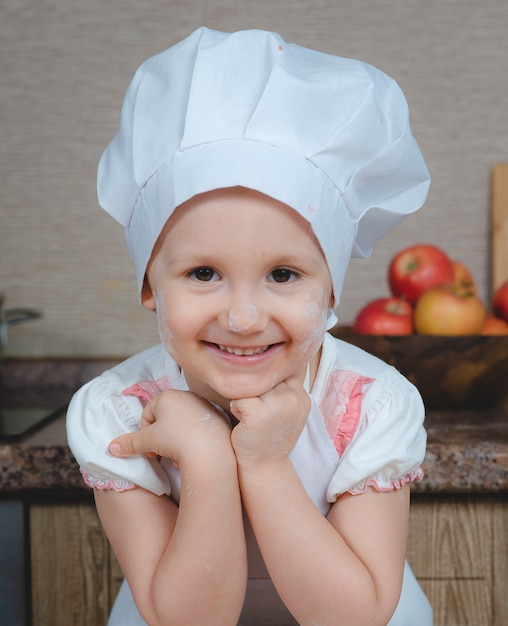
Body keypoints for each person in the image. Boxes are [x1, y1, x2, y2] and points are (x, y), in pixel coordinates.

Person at [67, 27, 434, 626]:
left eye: (284, 275)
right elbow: (186, 619)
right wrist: (209, 457)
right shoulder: (117, 413)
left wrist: (263, 462)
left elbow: (354, 616)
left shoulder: (371, 405)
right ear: (148, 285)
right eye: (203, 272)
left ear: (332, 290)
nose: (242, 318)